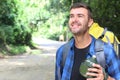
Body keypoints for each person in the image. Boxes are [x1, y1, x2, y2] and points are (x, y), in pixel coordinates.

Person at [55, 2, 120, 80]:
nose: (74, 20)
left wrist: (106, 78)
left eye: (80, 16)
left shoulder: (106, 51)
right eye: (72, 16)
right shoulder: (62, 51)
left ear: (90, 22)